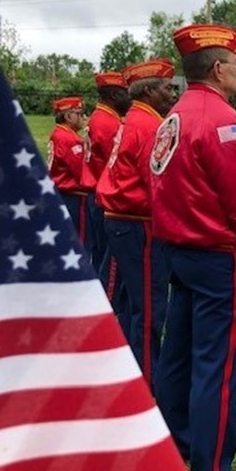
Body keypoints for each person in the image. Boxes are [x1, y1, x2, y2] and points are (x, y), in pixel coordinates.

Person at [151, 24, 236, 471]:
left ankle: (178, 445)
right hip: (214, 255)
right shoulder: (222, 121)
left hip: (177, 250)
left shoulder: (175, 115)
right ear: (219, 69)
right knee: (215, 368)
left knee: (177, 356)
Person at [95, 59, 178, 386]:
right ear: (147, 92)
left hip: (123, 220)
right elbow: (156, 180)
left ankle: (129, 371)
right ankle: (147, 383)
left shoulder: (136, 119)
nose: (172, 93)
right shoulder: (149, 125)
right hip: (137, 221)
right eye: (166, 88)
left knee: (133, 303)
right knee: (149, 307)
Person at [87, 71, 132, 321]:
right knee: (111, 263)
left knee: (104, 257)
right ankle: (105, 314)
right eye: (125, 92)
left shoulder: (103, 117)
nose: (130, 96)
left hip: (98, 195)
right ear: (115, 94)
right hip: (106, 198)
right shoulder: (107, 122)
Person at [47, 96, 95, 252]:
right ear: (68, 116)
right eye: (79, 114)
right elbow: (81, 172)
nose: (84, 118)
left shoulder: (59, 133)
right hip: (73, 195)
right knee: (79, 241)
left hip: (62, 191)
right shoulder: (69, 138)